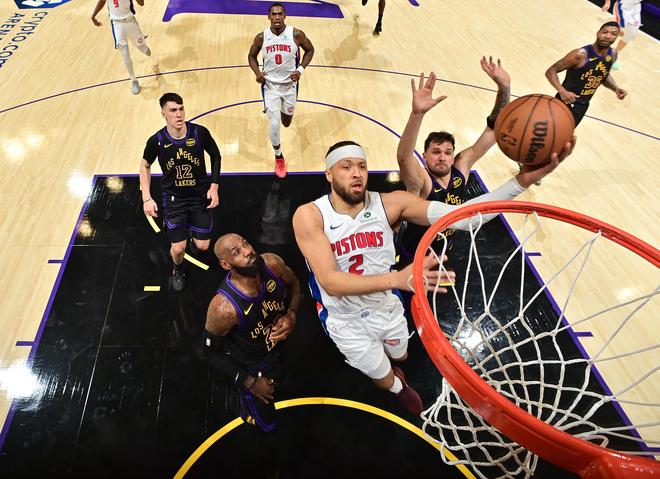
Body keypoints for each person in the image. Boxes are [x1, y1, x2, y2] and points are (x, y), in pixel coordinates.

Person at [292, 138, 574, 415]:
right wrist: (398, 280)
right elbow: (331, 282)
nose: (357, 173)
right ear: (329, 174)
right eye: (346, 167)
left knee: (401, 353)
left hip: (384, 305)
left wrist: (521, 182)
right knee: (381, 373)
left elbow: (463, 217)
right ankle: (397, 388)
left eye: (362, 166)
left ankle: (395, 366)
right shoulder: (310, 216)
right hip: (346, 320)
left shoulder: (392, 203)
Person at [396, 58, 511, 264]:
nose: (442, 157)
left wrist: (504, 88)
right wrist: (417, 114)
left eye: (448, 152)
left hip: (443, 254)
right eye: (436, 152)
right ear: (424, 156)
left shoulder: (461, 167)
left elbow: (493, 130)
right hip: (413, 258)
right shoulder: (421, 180)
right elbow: (404, 158)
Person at [204, 233, 300, 435]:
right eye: (237, 252)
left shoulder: (272, 264)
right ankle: (252, 416)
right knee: (266, 419)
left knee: (282, 380)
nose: (248, 251)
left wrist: (291, 314)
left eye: (245, 243)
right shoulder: (224, 308)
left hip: (279, 348)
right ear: (226, 265)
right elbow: (210, 353)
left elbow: (294, 285)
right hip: (253, 366)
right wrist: (251, 383)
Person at [140, 93, 221, 291]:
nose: (179, 114)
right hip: (174, 200)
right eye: (173, 110)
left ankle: (194, 236)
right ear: (163, 114)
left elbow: (216, 155)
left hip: (199, 196)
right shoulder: (157, 141)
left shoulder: (199, 133)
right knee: (178, 249)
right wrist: (147, 198)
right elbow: (145, 165)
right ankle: (177, 269)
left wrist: (214, 186)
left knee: (202, 246)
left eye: (181, 109)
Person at [248, 2, 315, 179]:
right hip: (270, 87)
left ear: (284, 16)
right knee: (274, 123)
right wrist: (257, 73)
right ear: (268, 16)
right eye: (273, 14)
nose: (277, 17)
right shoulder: (262, 37)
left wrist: (300, 70)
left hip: (290, 86)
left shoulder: (296, 34)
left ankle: (285, 118)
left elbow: (310, 50)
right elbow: (251, 56)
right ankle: (279, 156)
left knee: (286, 122)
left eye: (280, 14)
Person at [545, 22, 628, 126]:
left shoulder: (613, 54)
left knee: (565, 134)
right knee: (550, 131)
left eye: (613, 34)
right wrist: (562, 91)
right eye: (605, 32)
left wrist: (616, 89)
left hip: (582, 106)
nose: (608, 36)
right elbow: (551, 71)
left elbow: (603, 75)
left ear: (616, 37)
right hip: (564, 101)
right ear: (598, 33)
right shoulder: (580, 54)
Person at [91, 0, 152, 95]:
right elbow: (102, 1)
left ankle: (142, 46)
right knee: (125, 54)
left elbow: (141, 3)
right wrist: (93, 16)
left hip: (130, 21)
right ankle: (134, 80)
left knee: (143, 49)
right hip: (117, 24)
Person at [601, 0, 642, 68]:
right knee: (619, 29)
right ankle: (601, 46)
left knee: (630, 35)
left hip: (636, 7)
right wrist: (607, 2)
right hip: (623, 7)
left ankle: (614, 54)